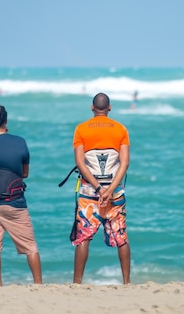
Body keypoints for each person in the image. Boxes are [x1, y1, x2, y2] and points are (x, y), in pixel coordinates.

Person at [0, 103, 42, 286]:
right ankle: (38, 284)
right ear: (6, 119)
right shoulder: (19, 142)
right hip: (15, 202)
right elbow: (25, 173)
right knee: (30, 246)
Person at [72, 93, 131, 284]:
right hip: (114, 191)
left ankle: (77, 283)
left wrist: (98, 188)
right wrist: (109, 189)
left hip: (90, 190)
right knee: (121, 236)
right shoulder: (121, 129)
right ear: (110, 108)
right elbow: (124, 163)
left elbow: (81, 163)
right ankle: (126, 282)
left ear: (92, 108)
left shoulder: (81, 129)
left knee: (83, 238)